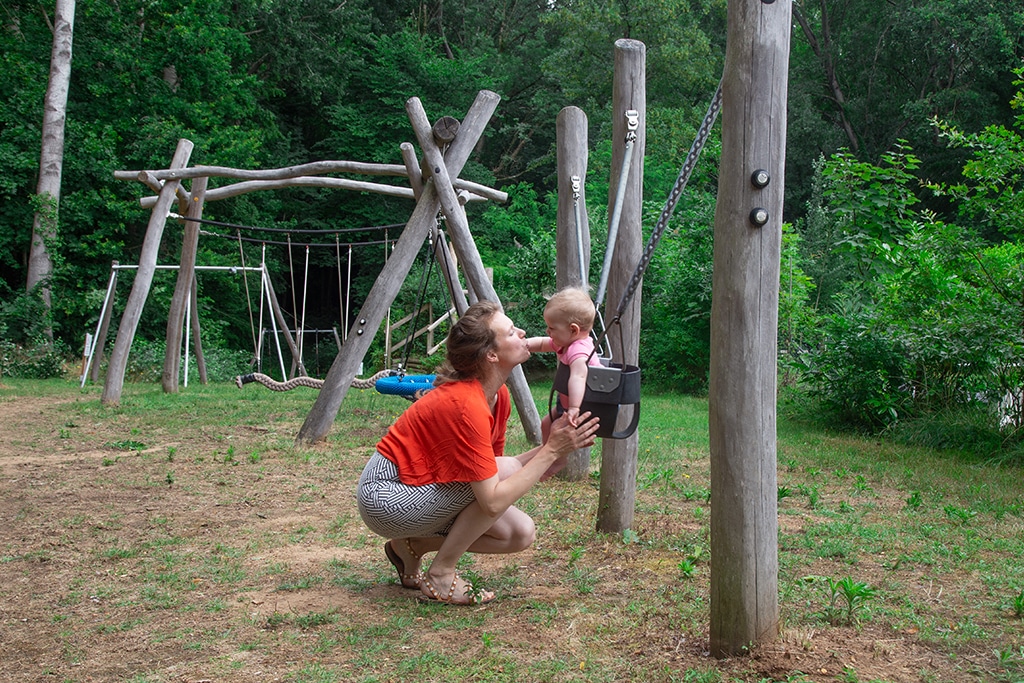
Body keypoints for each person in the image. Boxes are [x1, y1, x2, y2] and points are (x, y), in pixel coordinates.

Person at [356, 300, 599, 605]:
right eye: (511, 332)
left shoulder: (498, 396)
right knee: (504, 477)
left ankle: (411, 546)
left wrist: (556, 448)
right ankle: (441, 575)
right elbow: (492, 496)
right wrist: (549, 452)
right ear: (492, 355)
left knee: (520, 533)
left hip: (420, 487)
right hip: (386, 495)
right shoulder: (466, 404)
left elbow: (488, 469)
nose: (523, 333)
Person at [525, 287, 604, 478]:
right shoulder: (567, 342)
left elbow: (578, 377)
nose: (548, 331)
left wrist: (575, 408)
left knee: (553, 429)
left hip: (583, 404)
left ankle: (557, 461)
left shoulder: (579, 351)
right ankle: (546, 458)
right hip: (567, 402)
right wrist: (525, 344)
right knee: (546, 425)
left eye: (552, 328)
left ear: (573, 329)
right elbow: (544, 343)